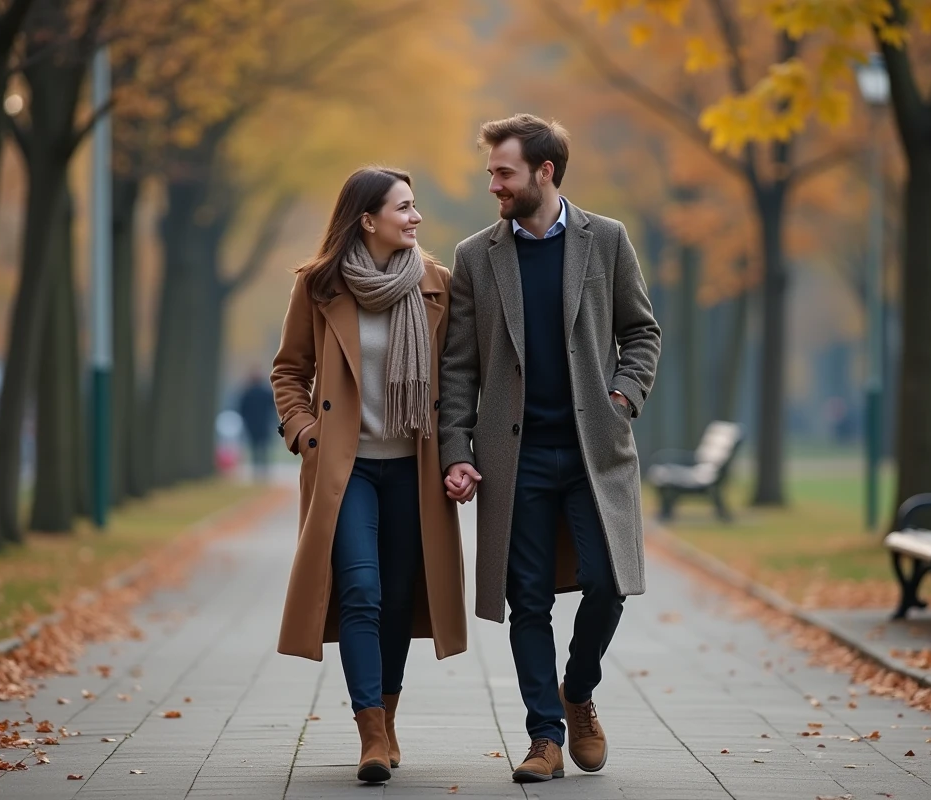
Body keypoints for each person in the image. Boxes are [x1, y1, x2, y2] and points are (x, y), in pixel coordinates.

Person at [439, 114, 661, 783]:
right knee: (526, 599)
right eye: (491, 174)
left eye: (503, 173)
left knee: (608, 581)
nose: (494, 186)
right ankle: (544, 738)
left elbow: (641, 333)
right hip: (515, 458)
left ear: (545, 172)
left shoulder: (609, 240)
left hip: (596, 451)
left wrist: (623, 397)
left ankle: (578, 689)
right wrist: (456, 447)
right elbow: (458, 368)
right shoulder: (477, 257)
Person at [270, 166, 467, 785]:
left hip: (414, 468)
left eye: (415, 208)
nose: (414, 218)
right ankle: (371, 734)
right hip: (347, 469)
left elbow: (461, 377)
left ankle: (388, 715)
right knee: (361, 591)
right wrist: (305, 434)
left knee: (399, 599)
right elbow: (288, 371)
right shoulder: (319, 285)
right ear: (367, 219)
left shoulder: (439, 286)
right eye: (403, 208)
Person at [237, 368, 275, 480]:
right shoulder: (266, 392)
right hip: (264, 425)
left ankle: (256, 471)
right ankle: (264, 471)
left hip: (251, 425)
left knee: (254, 448)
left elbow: (241, 409)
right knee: (264, 448)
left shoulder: (246, 393)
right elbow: (273, 406)